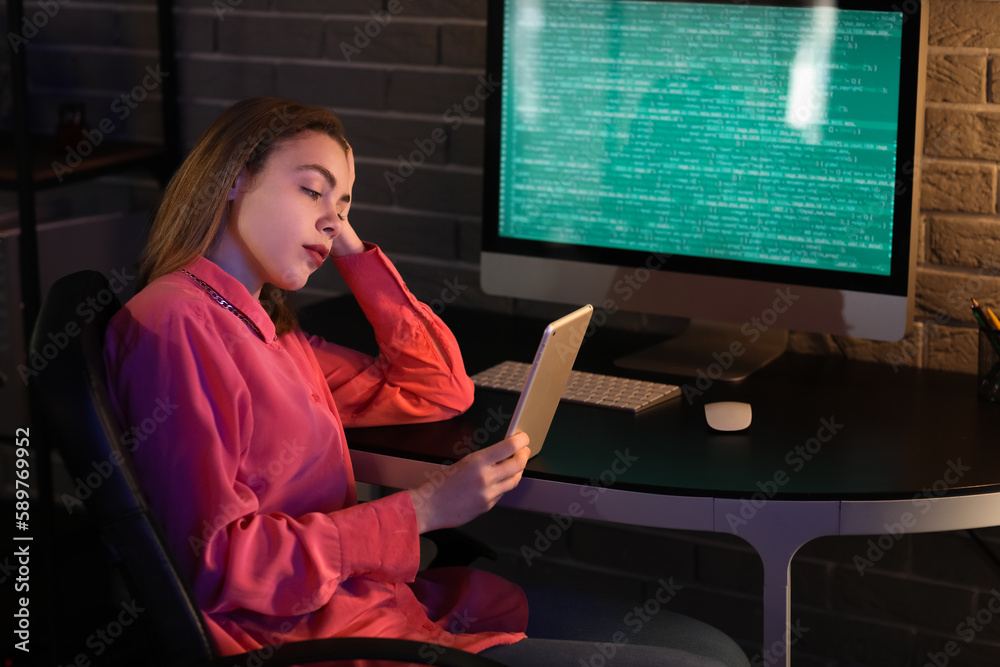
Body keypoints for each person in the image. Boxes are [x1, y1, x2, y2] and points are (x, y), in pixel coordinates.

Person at [104, 97, 749, 666]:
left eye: (347, 202)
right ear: (235, 178)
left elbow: (437, 388)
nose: (334, 217)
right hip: (315, 641)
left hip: (377, 606)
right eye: (312, 190)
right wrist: (424, 510)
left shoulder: (269, 329)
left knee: (716, 649)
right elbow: (220, 563)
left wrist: (348, 247)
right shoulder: (178, 324)